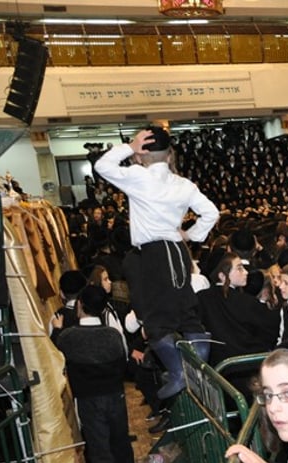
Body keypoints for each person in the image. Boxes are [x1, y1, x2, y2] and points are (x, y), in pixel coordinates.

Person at [93, 126, 219, 399]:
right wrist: (192, 234)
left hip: (153, 255)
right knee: (186, 311)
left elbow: (102, 165)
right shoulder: (183, 184)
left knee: (156, 319)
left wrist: (129, 146)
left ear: (143, 154)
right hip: (176, 250)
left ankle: (180, 373)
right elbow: (211, 212)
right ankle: (196, 371)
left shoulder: (139, 176)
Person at [53, 285, 139, 463]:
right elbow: (122, 361)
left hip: (88, 399)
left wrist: (56, 331)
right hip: (115, 394)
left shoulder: (68, 337)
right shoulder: (112, 335)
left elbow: (56, 356)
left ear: (80, 305)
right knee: (120, 438)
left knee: (100, 449)